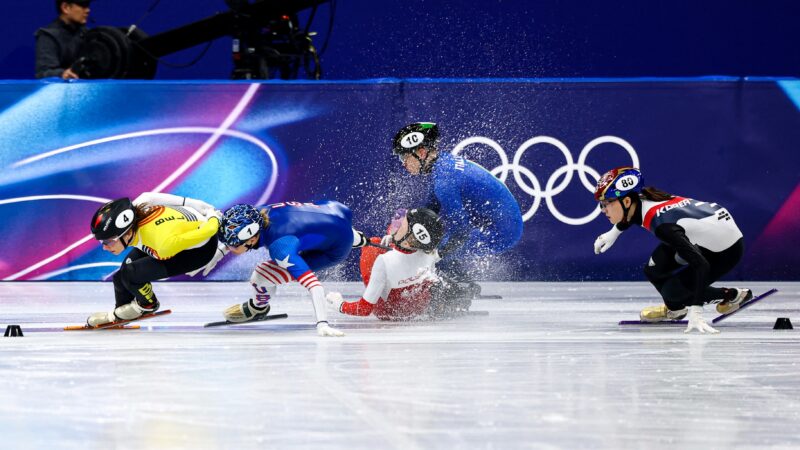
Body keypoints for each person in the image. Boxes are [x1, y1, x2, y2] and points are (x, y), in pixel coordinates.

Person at [592, 166, 753, 334]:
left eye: (606, 203)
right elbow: (630, 216)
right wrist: (613, 233)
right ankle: (676, 309)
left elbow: (701, 265)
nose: (603, 210)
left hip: (725, 250)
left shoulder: (663, 226)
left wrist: (696, 311)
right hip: (705, 235)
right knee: (653, 270)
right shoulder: (643, 199)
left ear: (626, 201)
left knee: (674, 292)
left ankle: (734, 296)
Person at [391, 122, 524, 286]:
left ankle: (459, 291)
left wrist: (437, 254)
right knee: (433, 246)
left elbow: (462, 230)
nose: (403, 164)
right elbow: (428, 210)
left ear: (421, 152)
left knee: (436, 252)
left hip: (504, 232)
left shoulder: (444, 182)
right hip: (503, 221)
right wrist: (398, 232)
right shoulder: (442, 166)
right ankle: (460, 285)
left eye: (404, 157)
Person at [218, 200, 369, 337]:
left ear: (251, 239)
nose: (229, 248)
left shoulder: (281, 247)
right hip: (336, 210)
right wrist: (220, 252)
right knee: (339, 232)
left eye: (231, 245)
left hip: (334, 250)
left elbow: (314, 286)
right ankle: (356, 238)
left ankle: (258, 308)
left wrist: (322, 323)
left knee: (260, 276)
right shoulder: (257, 212)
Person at [87, 193, 225, 326]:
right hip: (173, 232)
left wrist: (212, 216)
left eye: (108, 241)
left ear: (128, 233)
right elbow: (149, 196)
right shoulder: (135, 210)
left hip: (199, 251)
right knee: (119, 276)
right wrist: (194, 204)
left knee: (130, 274)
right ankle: (120, 313)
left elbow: (210, 229)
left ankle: (147, 305)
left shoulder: (163, 244)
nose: (104, 247)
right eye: (101, 242)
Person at [326, 208, 473, 320]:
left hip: (387, 311)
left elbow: (364, 309)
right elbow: (450, 244)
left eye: (403, 224)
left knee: (373, 244)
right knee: (432, 281)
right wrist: (398, 241)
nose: (398, 224)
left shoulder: (384, 261)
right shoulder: (430, 253)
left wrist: (339, 304)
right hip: (417, 307)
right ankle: (446, 299)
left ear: (410, 239)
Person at [35, 0, 92, 79]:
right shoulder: (48, 36)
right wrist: (62, 74)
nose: (88, 10)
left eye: (88, 5)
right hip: (62, 90)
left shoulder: (89, 34)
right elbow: (43, 73)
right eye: (83, 5)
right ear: (65, 7)